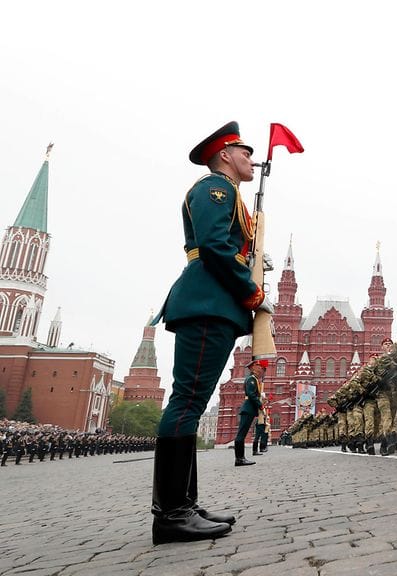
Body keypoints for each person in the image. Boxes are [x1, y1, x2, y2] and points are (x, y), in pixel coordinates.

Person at [151, 121, 270, 545]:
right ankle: (171, 515)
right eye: (245, 152)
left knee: (192, 400)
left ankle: (185, 503)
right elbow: (216, 247)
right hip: (208, 302)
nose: (251, 159)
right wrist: (251, 291)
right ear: (225, 155)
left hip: (213, 303)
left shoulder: (228, 192)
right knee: (187, 401)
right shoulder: (215, 189)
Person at [234, 358, 265, 466]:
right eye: (258, 366)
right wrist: (260, 405)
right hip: (248, 409)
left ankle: (240, 458)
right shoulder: (251, 379)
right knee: (241, 434)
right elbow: (251, 394)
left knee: (242, 434)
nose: (260, 368)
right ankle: (239, 459)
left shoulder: (254, 379)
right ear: (253, 368)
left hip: (249, 409)